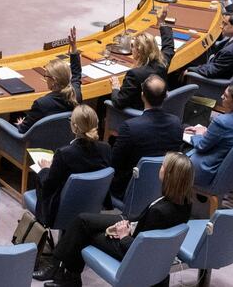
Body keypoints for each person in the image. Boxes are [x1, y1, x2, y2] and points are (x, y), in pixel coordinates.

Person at [41, 151, 193, 287]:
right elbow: (147, 227)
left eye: (163, 166)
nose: (160, 167)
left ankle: (66, 276)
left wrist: (124, 236)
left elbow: (142, 249)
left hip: (130, 248)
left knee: (85, 232)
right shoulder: (185, 203)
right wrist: (128, 223)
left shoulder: (159, 212)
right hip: (135, 229)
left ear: (169, 175)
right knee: (83, 220)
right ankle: (63, 272)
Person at [32, 106, 111, 233]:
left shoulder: (64, 154)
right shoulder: (106, 148)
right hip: (93, 203)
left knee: (40, 177)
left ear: (74, 127)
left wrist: (45, 170)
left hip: (62, 209)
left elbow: (49, 186)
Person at [109, 75, 184, 197]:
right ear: (166, 96)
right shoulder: (176, 123)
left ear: (142, 95)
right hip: (164, 186)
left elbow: (114, 163)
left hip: (130, 189)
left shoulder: (130, 127)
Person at [187, 82, 233, 186]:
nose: (221, 97)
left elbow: (201, 146)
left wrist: (199, 134)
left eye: (225, 96)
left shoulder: (221, 122)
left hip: (207, 172)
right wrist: (208, 132)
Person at [16, 27, 82, 133]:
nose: (45, 79)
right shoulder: (76, 94)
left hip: (39, 143)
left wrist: (20, 124)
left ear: (54, 80)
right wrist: (74, 48)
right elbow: (76, 75)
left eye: (46, 76)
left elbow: (23, 130)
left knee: (15, 116)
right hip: (65, 139)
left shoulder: (41, 104)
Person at [187, 12, 233, 80]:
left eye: (225, 24)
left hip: (215, 78)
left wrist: (190, 69)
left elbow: (212, 71)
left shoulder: (229, 52)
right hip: (225, 64)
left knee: (184, 66)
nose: (221, 26)